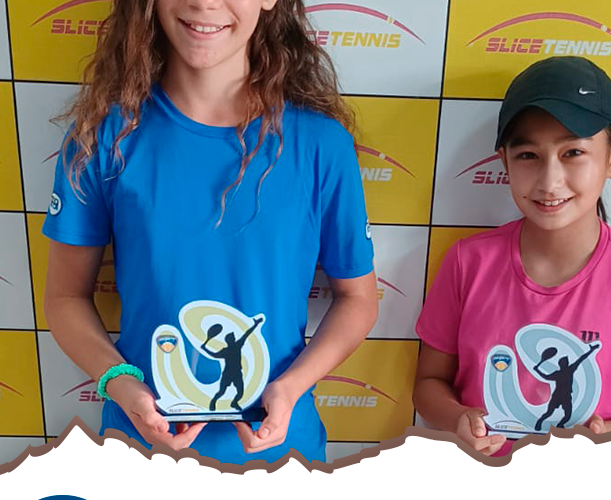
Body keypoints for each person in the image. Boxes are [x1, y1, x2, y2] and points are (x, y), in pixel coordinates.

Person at [42, 0, 378, 464]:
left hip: (281, 455)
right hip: (140, 454)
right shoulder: (103, 138)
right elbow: (65, 297)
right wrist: (120, 382)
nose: (204, 3)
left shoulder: (322, 145)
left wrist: (290, 387)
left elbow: (358, 299)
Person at [413, 56, 611, 457]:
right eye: (528, 155)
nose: (549, 181)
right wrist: (457, 418)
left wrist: (608, 435)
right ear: (504, 160)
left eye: (573, 152)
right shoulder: (467, 263)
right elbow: (428, 384)